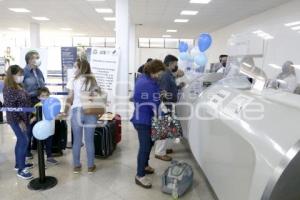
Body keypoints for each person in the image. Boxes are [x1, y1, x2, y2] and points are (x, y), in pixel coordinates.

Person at [131, 59, 165, 189]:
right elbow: (154, 105)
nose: (159, 76)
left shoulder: (144, 78)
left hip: (144, 117)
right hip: (143, 120)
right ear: (152, 71)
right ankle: (139, 176)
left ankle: (144, 166)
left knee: (150, 143)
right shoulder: (148, 84)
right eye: (158, 73)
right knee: (145, 147)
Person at [63, 58, 99, 174]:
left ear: (81, 68)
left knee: (77, 141)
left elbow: (70, 97)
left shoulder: (73, 80)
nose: (73, 69)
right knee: (89, 141)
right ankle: (90, 166)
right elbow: (96, 98)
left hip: (77, 111)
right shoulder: (92, 80)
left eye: (75, 66)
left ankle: (77, 166)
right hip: (90, 111)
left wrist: (65, 110)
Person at [3, 65, 34, 180]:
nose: (22, 76)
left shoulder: (18, 85)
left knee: (21, 140)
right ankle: (21, 170)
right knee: (23, 140)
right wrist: (20, 121)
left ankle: (19, 164)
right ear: (13, 75)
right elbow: (11, 107)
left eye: (22, 74)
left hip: (24, 117)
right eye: (19, 74)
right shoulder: (9, 88)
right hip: (16, 119)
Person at [155, 55, 183, 162]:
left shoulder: (169, 75)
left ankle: (165, 148)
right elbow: (163, 92)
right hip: (165, 105)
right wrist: (166, 107)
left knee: (168, 128)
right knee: (163, 129)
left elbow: (171, 89)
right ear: (171, 63)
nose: (176, 66)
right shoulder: (165, 75)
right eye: (175, 64)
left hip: (169, 104)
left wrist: (179, 87)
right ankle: (159, 152)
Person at [23, 50, 45, 159]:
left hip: (39, 102)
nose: (37, 59)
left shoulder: (39, 71)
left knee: (39, 125)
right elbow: (21, 90)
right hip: (28, 103)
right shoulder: (24, 72)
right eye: (35, 57)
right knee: (29, 127)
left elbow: (42, 85)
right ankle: (26, 151)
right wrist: (34, 92)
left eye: (38, 57)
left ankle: (36, 146)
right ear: (30, 60)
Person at [30, 87, 59, 165]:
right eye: (43, 96)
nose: (45, 98)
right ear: (38, 97)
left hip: (50, 127)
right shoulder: (37, 105)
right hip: (41, 129)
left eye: (47, 95)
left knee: (49, 143)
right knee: (41, 145)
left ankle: (49, 157)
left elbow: (55, 113)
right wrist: (33, 119)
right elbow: (36, 115)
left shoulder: (52, 104)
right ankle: (41, 161)